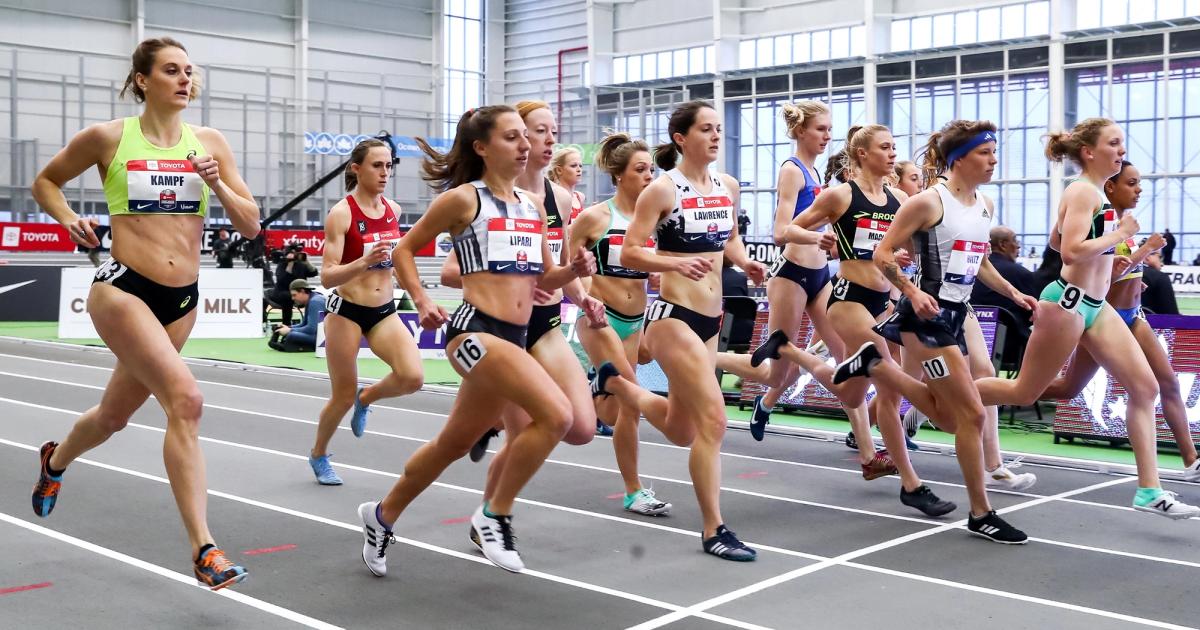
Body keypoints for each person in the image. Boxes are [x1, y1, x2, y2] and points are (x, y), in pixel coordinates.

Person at [30, 37, 260, 589]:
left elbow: (252, 224)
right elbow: (46, 182)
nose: (186, 80)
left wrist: (218, 183)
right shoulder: (109, 137)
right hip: (123, 288)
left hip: (182, 301)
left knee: (112, 417)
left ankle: (55, 460)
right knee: (187, 399)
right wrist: (66, 219)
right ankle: (205, 549)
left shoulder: (210, 144)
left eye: (189, 72)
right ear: (142, 80)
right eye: (172, 71)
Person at [358, 105, 598, 576]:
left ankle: (381, 515)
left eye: (523, 137)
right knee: (557, 415)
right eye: (512, 137)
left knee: (451, 444)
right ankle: (494, 515)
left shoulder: (532, 207)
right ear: (482, 148)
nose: (525, 145)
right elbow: (405, 248)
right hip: (473, 331)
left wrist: (576, 272)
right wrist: (422, 300)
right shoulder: (464, 200)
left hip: (516, 335)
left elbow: (546, 274)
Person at [946, 118, 1195, 519]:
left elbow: (1056, 239)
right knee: (1024, 392)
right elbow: (1071, 252)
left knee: (1141, 388)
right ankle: (936, 398)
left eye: (1122, 144)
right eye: (1114, 143)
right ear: (1089, 152)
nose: (1121, 151)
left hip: (1096, 307)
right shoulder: (1082, 191)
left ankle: (1149, 490)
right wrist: (1119, 235)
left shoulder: (1093, 194)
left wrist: (1114, 259)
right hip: (1067, 304)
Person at [834, 120, 1037, 542]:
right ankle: (981, 513)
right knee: (973, 414)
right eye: (986, 153)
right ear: (960, 157)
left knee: (949, 418)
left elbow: (980, 263)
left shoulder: (985, 204)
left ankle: (880, 368)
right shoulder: (928, 202)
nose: (994, 160)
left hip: (957, 315)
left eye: (995, 152)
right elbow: (884, 252)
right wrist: (910, 289)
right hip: (924, 318)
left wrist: (1015, 293)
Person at [753, 124, 962, 517]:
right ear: (863, 154)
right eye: (884, 147)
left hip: (882, 301)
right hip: (847, 300)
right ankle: (911, 483)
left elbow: (905, 245)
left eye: (894, 147)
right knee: (888, 380)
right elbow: (785, 229)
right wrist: (818, 239)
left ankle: (787, 349)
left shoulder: (899, 198)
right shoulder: (841, 195)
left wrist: (902, 257)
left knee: (850, 395)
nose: (891, 154)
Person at [592, 100, 769, 561]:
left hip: (712, 319)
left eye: (718, 129)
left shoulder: (726, 186)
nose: (715, 136)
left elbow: (728, 237)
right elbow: (631, 253)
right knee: (714, 420)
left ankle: (618, 387)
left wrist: (746, 261)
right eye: (705, 129)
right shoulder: (663, 190)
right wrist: (674, 261)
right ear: (680, 139)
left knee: (680, 429)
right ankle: (714, 529)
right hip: (672, 318)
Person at [715, 101, 890, 479]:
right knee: (775, 373)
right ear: (801, 132)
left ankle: (868, 456)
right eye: (820, 130)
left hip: (821, 277)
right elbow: (780, 231)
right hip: (791, 273)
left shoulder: (818, 173)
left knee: (848, 361)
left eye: (829, 130)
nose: (828, 136)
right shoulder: (792, 171)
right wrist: (818, 237)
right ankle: (708, 357)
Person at [1041, 161, 1199, 481]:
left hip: (1134, 316)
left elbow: (1123, 270)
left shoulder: (1121, 221)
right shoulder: (1101, 222)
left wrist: (1136, 279)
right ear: (1110, 187)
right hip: (1103, 318)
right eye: (1131, 183)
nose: (1139, 189)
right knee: (1068, 388)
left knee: (1166, 383)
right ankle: (991, 395)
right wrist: (1146, 251)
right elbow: (1108, 271)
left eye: (1139, 183)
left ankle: (1192, 460)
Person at [308, 139, 424, 485]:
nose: (385, 172)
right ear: (356, 169)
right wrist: (363, 262)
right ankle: (319, 454)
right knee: (341, 396)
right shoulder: (341, 213)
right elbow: (327, 276)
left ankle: (367, 397)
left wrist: (420, 298)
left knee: (412, 377)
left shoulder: (394, 210)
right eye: (377, 165)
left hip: (384, 310)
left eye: (389, 165)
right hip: (345, 311)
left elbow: (399, 261)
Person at [569, 132, 672, 516]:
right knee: (631, 402)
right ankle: (634, 491)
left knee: (613, 413)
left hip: (637, 321)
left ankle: (588, 385)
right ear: (619, 176)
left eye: (651, 169)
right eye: (640, 170)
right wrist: (585, 296)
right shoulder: (595, 218)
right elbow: (570, 267)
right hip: (600, 319)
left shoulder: (654, 219)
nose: (649, 176)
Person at [971, 225, 1036, 332]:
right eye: (1015, 241)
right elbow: (1031, 316)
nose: (1018, 246)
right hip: (1011, 343)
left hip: (969, 335)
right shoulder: (1021, 274)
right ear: (1002, 244)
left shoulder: (970, 271)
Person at [265, 242, 318, 325]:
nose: (294, 255)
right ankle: (286, 324)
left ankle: (311, 323)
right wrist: (290, 263)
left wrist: (306, 261)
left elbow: (314, 273)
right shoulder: (282, 264)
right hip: (282, 293)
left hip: (299, 293)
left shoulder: (301, 265)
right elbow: (281, 279)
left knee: (313, 296)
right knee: (287, 297)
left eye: (295, 253)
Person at [268, 278, 326, 353]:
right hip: (321, 336)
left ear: (302, 291)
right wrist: (288, 327)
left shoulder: (315, 302)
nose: (292, 298)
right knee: (291, 334)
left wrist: (289, 330)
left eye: (294, 295)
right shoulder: (312, 300)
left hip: (324, 339)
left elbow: (312, 329)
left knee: (291, 336)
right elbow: (303, 324)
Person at [549, 146, 586, 222]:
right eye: (573, 166)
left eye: (580, 166)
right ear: (559, 170)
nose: (579, 170)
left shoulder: (580, 197)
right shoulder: (553, 195)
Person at [1142, 249, 1179, 315]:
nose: (1162, 263)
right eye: (1160, 257)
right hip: (1151, 323)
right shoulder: (1159, 277)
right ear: (1147, 256)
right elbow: (1171, 315)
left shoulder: (1120, 275)